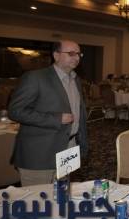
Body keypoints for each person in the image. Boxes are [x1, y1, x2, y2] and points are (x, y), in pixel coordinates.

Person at [8, 40, 88, 186]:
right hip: (40, 153)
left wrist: (81, 143)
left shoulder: (75, 79)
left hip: (68, 148)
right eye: (71, 53)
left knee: (62, 194)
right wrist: (56, 119)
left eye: (79, 54)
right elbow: (15, 111)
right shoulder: (35, 77)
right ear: (56, 55)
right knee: (39, 198)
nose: (76, 58)